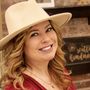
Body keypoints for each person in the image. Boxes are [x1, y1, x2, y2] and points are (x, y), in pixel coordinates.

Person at [0, 0, 76, 90]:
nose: (47, 39)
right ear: (19, 45)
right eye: (34, 34)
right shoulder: (18, 87)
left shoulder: (61, 72)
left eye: (48, 29)